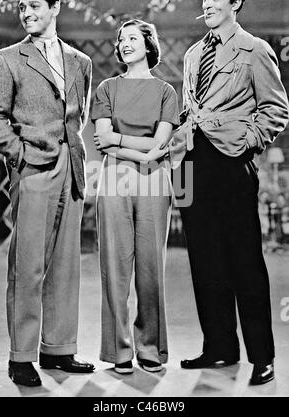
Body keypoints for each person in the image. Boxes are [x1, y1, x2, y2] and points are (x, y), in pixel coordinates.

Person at [170, 0, 288, 385]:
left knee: (244, 261)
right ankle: (219, 347)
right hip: (190, 164)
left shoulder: (254, 50)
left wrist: (246, 143)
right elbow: (190, 109)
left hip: (231, 163)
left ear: (235, 3)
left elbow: (276, 110)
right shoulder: (191, 55)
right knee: (204, 260)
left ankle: (262, 358)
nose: (206, 3)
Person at [0, 0, 95, 387]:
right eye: (22, 7)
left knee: (67, 263)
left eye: (35, 6)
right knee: (27, 264)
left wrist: (69, 154)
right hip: (31, 167)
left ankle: (59, 350)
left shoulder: (80, 61)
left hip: (71, 166)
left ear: (55, 8)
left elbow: (78, 116)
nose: (27, 13)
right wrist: (19, 155)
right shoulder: (5, 60)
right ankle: (21, 356)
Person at [91, 19, 179, 374]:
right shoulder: (107, 88)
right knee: (114, 268)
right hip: (114, 180)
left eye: (133, 38)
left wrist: (121, 141)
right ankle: (119, 351)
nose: (125, 44)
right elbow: (100, 136)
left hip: (155, 182)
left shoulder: (165, 92)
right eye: (121, 39)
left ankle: (150, 348)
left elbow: (161, 143)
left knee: (150, 268)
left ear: (148, 44)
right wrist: (143, 149)